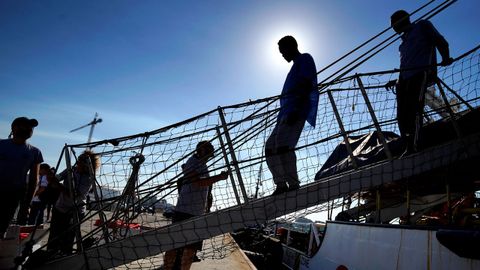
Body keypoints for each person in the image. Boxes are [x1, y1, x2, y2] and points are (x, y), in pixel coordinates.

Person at [386, 10, 453, 154]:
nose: (393, 28)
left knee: (415, 112)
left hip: (420, 75)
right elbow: (405, 65)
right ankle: (408, 145)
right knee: (402, 116)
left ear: (403, 20)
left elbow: (440, 41)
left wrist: (446, 57)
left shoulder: (422, 26)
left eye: (394, 23)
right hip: (403, 80)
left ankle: (416, 146)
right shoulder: (402, 43)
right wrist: (396, 80)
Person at [265, 35, 318, 195]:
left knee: (283, 147)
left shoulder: (305, 59)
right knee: (270, 148)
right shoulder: (294, 67)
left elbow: (308, 83)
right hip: (284, 113)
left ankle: (293, 184)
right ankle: (281, 184)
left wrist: (297, 109)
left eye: (283, 51)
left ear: (291, 47)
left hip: (295, 110)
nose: (282, 55)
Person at [163, 141, 228, 270]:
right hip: (184, 211)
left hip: (197, 213)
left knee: (191, 250)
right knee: (174, 246)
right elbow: (197, 183)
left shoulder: (201, 164)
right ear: (202, 150)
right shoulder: (192, 161)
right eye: (209, 151)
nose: (211, 155)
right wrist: (219, 177)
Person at [47, 150, 99, 255]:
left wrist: (58, 185)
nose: (77, 164)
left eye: (80, 162)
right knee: (53, 237)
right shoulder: (70, 170)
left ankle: (64, 257)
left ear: (87, 165)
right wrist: (51, 178)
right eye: (78, 161)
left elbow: (74, 195)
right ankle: (50, 256)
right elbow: (56, 180)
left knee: (68, 238)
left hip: (75, 211)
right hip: (60, 208)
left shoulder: (89, 178)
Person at [0, 117, 43, 238]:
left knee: (2, 227)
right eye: (26, 126)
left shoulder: (35, 152)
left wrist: (27, 204)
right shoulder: (1, 144)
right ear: (14, 128)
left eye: (31, 128)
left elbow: (34, 180)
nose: (29, 129)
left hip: (12, 196)